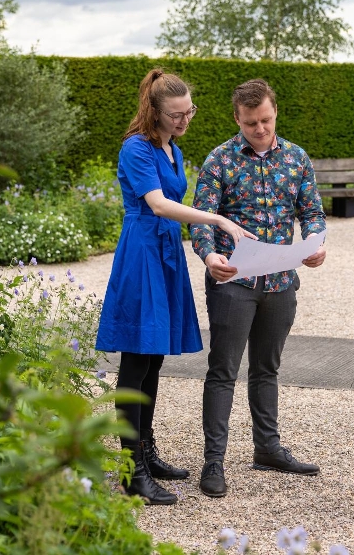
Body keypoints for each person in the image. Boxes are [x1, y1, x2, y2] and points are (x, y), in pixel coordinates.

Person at [95, 68, 254, 506]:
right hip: (143, 254)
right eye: (176, 115)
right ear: (155, 111)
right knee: (137, 357)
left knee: (154, 360)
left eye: (189, 113)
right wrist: (219, 218)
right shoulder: (137, 148)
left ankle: (145, 452)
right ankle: (131, 470)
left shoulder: (172, 149)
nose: (185, 121)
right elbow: (159, 204)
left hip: (164, 254)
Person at [190, 78, 327, 498]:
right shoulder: (219, 161)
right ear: (237, 118)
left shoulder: (297, 158)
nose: (260, 129)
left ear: (274, 112)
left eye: (265, 120)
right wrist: (209, 256)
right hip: (234, 282)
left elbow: (313, 212)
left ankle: (267, 449)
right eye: (251, 123)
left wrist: (317, 244)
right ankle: (214, 462)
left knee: (267, 369)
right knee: (223, 371)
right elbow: (201, 219)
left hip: (282, 282)